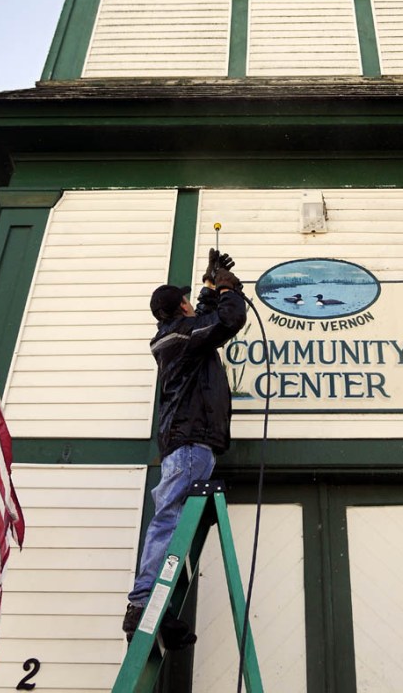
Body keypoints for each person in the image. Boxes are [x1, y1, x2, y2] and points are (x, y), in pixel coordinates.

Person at [122, 250, 246, 649]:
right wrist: (228, 288)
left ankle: (160, 608)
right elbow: (227, 322)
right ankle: (143, 603)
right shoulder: (180, 336)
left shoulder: (179, 335)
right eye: (191, 299)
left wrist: (210, 287)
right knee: (170, 520)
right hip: (191, 443)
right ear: (180, 306)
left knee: (177, 521)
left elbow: (205, 321)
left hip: (189, 443)